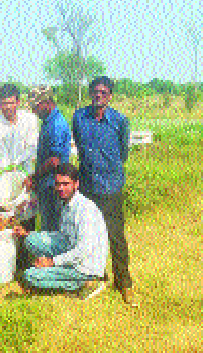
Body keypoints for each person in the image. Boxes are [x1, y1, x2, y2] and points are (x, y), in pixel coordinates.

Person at [71, 76, 137, 307]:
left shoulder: (119, 121)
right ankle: (92, 277)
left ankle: (124, 283)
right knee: (88, 234)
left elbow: (123, 153)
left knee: (115, 235)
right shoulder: (79, 117)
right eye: (95, 91)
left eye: (104, 92)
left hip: (110, 186)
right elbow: (79, 146)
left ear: (109, 96)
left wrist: (108, 170)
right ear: (90, 94)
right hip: (87, 186)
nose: (99, 95)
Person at [11, 163, 108, 299]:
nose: (60, 188)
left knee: (30, 276)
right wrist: (29, 234)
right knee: (31, 241)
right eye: (57, 184)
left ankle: (87, 282)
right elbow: (62, 237)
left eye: (65, 184)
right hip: (72, 252)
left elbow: (84, 250)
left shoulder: (86, 210)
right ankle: (57, 274)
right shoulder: (67, 203)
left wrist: (52, 261)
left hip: (85, 266)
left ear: (76, 184)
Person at [0, 83, 41, 231]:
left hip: (27, 174)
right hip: (6, 175)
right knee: (8, 219)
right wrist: (10, 169)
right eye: (4, 103)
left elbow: (32, 146)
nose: (8, 107)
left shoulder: (29, 119)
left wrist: (23, 171)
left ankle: (27, 251)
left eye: (11, 103)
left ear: (18, 102)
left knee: (27, 220)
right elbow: (1, 155)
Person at [23, 86, 73, 232]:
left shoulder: (56, 124)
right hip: (47, 185)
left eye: (36, 106)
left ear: (47, 102)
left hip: (54, 186)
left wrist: (35, 177)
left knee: (52, 230)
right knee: (47, 227)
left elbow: (54, 161)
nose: (34, 111)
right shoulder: (48, 122)